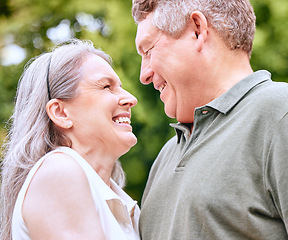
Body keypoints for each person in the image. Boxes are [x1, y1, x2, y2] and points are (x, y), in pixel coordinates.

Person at [132, 0, 288, 239]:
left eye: (148, 50)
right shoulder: (165, 156)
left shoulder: (279, 112)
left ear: (197, 29)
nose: (144, 75)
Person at [0, 39, 140, 240]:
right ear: (60, 113)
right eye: (106, 86)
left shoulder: (123, 203)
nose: (130, 98)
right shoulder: (58, 172)